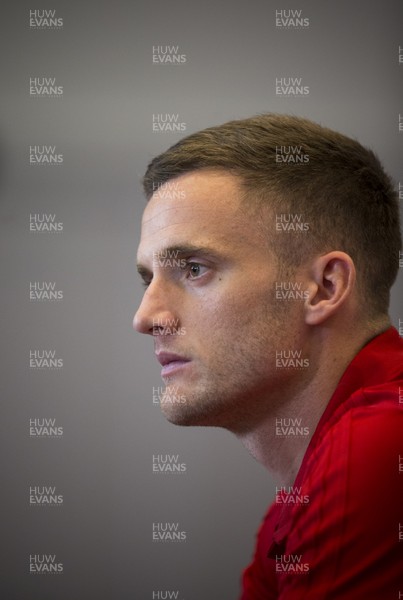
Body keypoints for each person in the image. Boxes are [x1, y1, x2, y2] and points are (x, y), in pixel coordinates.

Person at [133, 114, 403, 599]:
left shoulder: (382, 443)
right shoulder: (293, 503)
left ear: (324, 288)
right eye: (146, 278)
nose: (146, 316)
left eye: (194, 268)